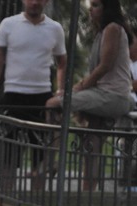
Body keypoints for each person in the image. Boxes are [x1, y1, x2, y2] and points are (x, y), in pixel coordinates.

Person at [46, 0, 133, 191]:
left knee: (53, 104)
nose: (91, 10)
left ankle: (51, 160)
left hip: (112, 95)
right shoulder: (102, 33)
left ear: (107, 8)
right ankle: (88, 189)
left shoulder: (112, 29)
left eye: (96, 5)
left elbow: (104, 66)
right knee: (92, 141)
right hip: (104, 93)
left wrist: (78, 88)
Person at [0, 0, 67, 191]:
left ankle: (37, 200)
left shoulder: (55, 29)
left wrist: (60, 90)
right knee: (9, 153)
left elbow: (62, 62)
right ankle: (6, 194)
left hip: (41, 97)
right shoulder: (8, 25)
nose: (34, 2)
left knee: (41, 153)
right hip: (13, 94)